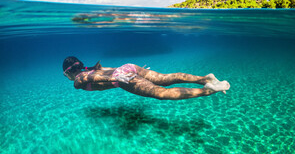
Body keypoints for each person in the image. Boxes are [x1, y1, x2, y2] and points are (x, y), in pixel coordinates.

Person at [63, 56, 230, 100]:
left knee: (161, 93)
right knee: (167, 78)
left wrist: (116, 77)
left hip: (123, 77)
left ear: (67, 73)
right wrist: (133, 72)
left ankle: (207, 90)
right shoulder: (89, 69)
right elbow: (100, 72)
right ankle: (206, 78)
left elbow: (88, 79)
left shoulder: (80, 78)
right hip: (129, 68)